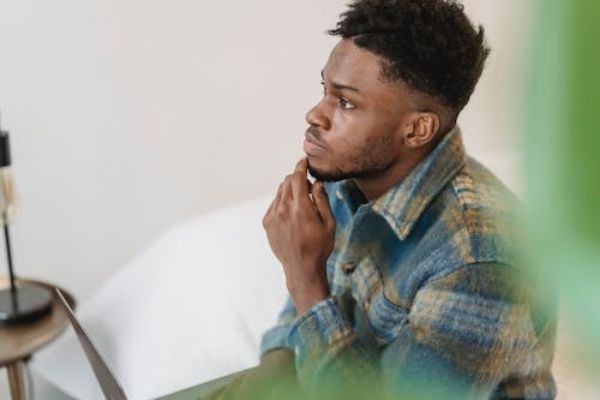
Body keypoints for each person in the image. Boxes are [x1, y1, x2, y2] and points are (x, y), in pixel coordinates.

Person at [206, 0, 557, 398]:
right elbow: (307, 314)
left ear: (417, 130)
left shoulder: (478, 263)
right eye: (325, 90)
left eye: (346, 102)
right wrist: (273, 369)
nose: (315, 115)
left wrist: (304, 278)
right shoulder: (351, 175)